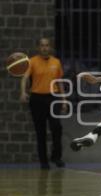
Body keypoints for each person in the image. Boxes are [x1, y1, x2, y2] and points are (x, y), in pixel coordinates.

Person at [20, 38, 67, 169]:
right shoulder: (32, 61)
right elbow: (24, 78)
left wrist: (64, 100)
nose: (45, 48)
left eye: (47, 45)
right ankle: (44, 162)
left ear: (50, 48)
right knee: (40, 132)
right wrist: (23, 92)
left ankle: (56, 157)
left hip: (52, 98)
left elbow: (60, 82)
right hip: (37, 99)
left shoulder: (56, 62)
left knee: (56, 128)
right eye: (42, 45)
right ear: (38, 47)